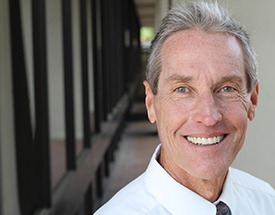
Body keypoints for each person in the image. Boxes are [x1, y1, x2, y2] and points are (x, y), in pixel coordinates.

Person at [94, 1, 275, 214]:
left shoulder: (267, 202)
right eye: (182, 89)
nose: (208, 116)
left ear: (252, 100)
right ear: (151, 103)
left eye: (226, 88)